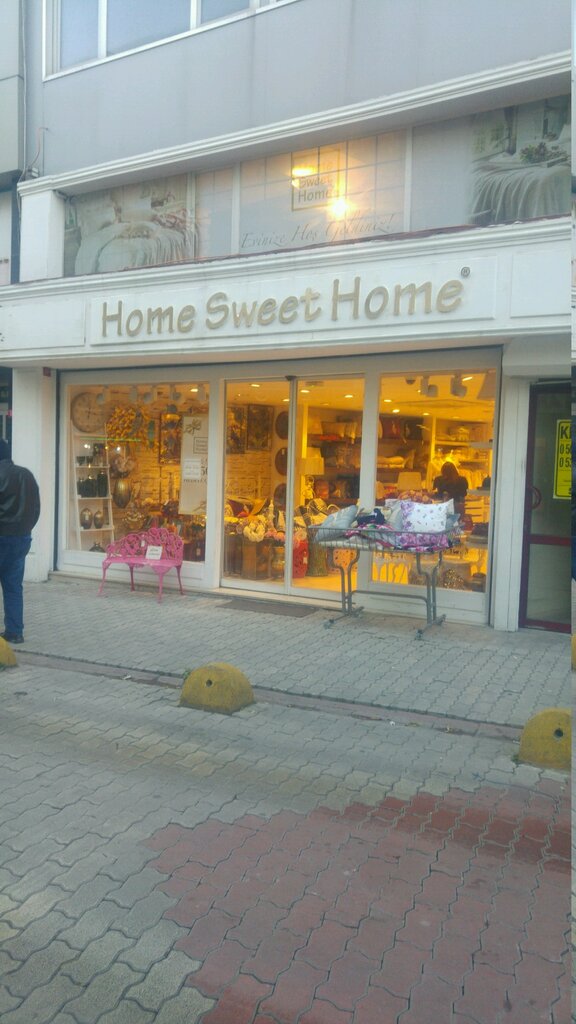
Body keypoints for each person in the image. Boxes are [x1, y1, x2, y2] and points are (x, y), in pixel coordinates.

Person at [0, 440, 40, 644]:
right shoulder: (27, 475)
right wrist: (25, 529)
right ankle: (15, 632)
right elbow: (36, 509)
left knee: (13, 586)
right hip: (21, 538)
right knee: (13, 586)